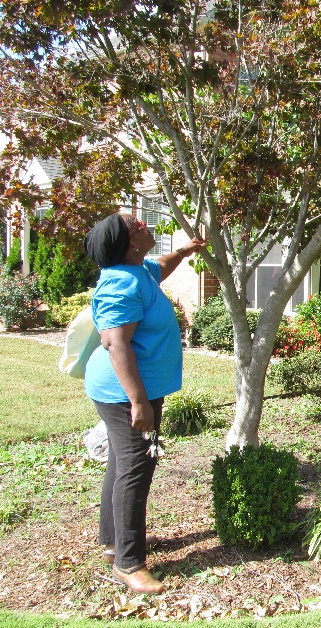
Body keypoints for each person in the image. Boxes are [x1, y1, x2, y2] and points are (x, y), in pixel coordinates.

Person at [83, 213, 206, 594]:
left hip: (135, 389)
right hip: (125, 392)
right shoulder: (121, 282)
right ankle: (129, 563)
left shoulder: (139, 271)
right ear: (129, 244)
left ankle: (112, 542)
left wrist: (186, 250)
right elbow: (115, 343)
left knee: (123, 462)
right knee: (137, 466)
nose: (143, 224)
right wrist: (139, 402)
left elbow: (161, 267)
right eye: (134, 224)